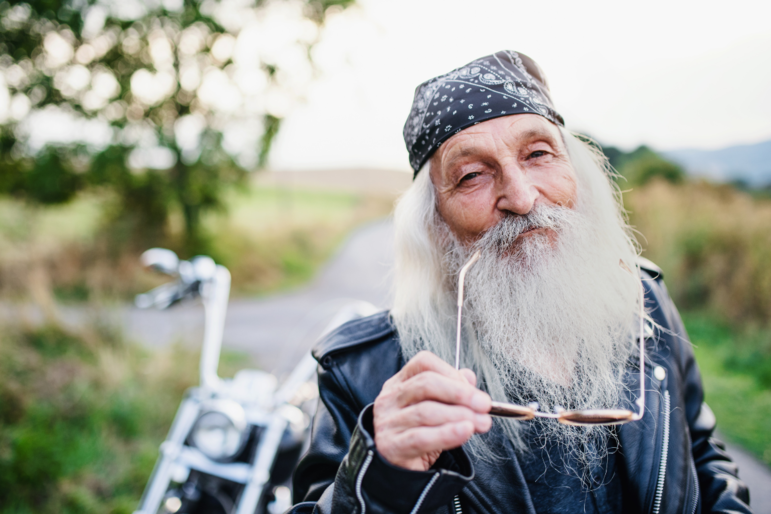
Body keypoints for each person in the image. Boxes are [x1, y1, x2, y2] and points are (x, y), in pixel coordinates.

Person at [287, 51, 751, 514]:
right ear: (434, 223)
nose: (523, 198)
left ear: (577, 172)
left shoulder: (642, 299)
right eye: (471, 176)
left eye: (538, 154)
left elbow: (702, 451)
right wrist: (381, 477)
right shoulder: (363, 373)